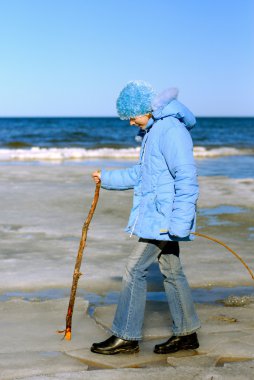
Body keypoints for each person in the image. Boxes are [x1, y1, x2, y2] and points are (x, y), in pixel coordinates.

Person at [91, 80, 201, 355]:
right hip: (159, 217)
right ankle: (187, 334)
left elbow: (186, 178)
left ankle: (126, 336)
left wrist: (179, 222)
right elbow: (141, 175)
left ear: (145, 109)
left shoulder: (170, 131)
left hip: (165, 219)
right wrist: (106, 178)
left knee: (134, 269)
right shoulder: (154, 131)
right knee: (172, 271)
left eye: (131, 116)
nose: (130, 122)